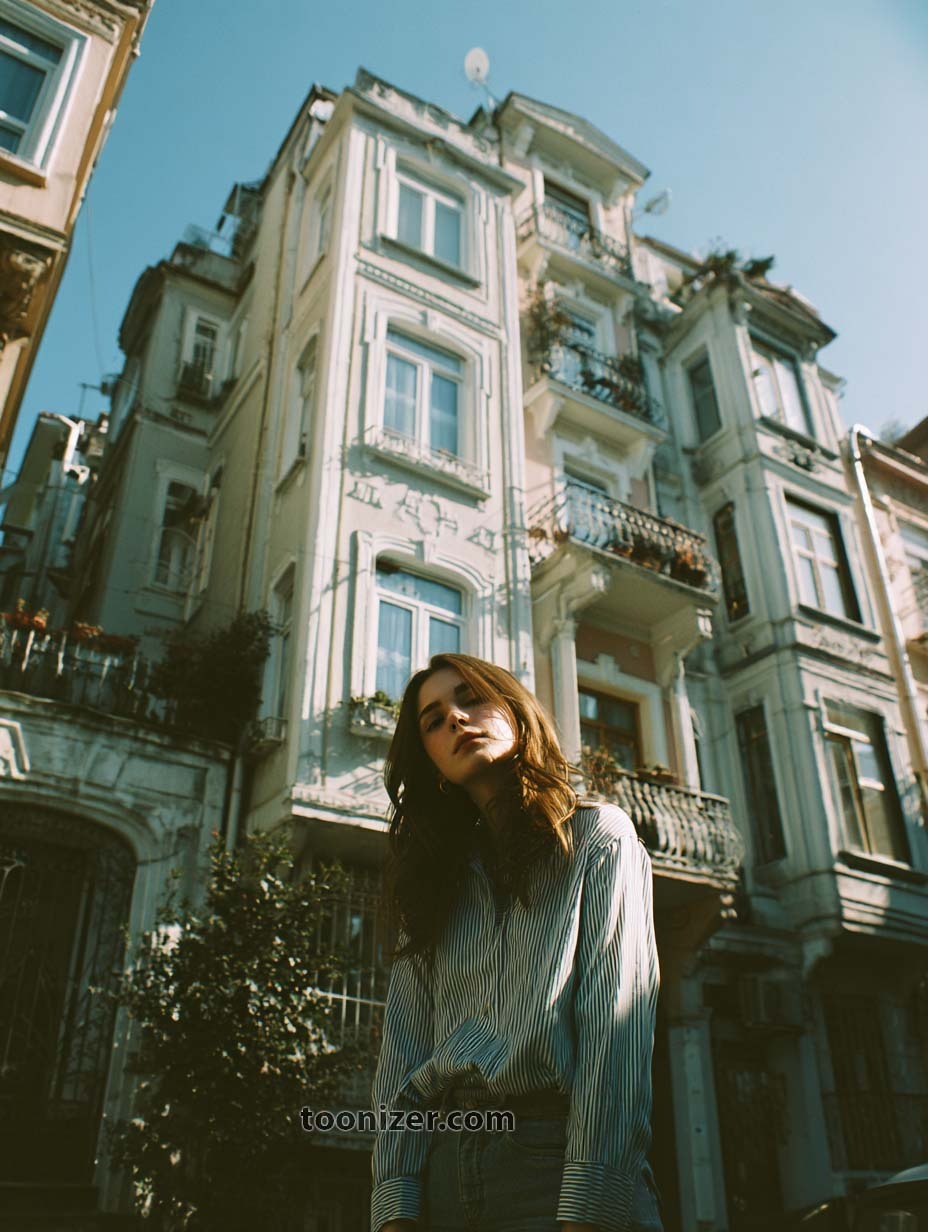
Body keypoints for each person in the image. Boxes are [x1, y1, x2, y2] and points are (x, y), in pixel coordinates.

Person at [370, 653, 662, 1232]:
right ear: (427, 759)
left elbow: (617, 1029)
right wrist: (395, 1206)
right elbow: (400, 1058)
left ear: (516, 712)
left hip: (554, 1161)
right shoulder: (430, 885)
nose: (455, 718)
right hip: (445, 1174)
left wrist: (588, 1207)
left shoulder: (598, 838)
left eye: (471, 697)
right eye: (433, 720)